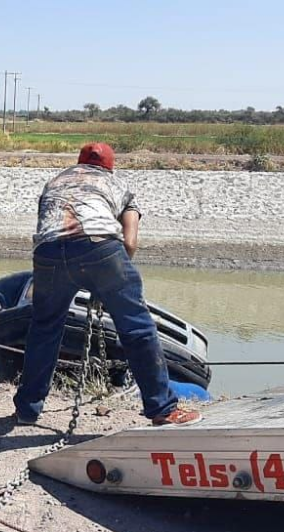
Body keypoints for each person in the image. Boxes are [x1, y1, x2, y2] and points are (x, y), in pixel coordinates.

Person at [13, 143, 202, 428]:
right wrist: (107, 285)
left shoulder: (56, 181)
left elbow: (50, 224)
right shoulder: (117, 184)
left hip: (48, 251)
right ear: (109, 166)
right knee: (137, 327)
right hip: (99, 247)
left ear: (79, 163)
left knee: (44, 328)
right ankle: (162, 407)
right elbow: (129, 242)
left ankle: (27, 409)